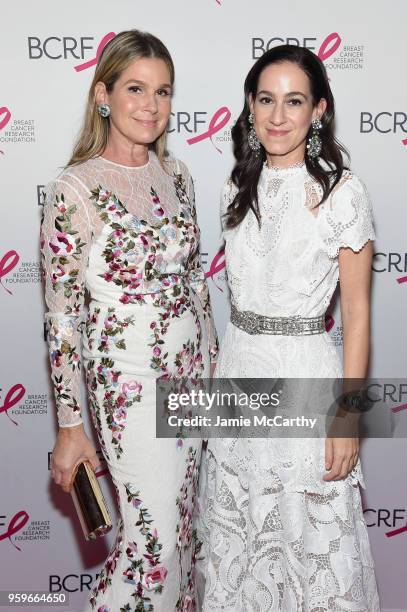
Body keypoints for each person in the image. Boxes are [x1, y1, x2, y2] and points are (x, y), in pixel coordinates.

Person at [40, 29, 218, 611]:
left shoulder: (180, 176)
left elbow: (196, 287)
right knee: (154, 541)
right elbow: (62, 320)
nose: (151, 105)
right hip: (130, 385)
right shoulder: (75, 188)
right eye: (136, 89)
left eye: (163, 91)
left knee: (187, 539)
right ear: (103, 95)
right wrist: (70, 429)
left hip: (193, 384)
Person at [199, 45, 380, 611]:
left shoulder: (342, 193)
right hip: (239, 374)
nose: (278, 116)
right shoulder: (235, 188)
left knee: (310, 546)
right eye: (266, 100)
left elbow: (355, 315)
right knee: (239, 544)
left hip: (305, 376)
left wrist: (348, 413)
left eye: (294, 101)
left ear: (318, 110)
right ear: (250, 108)